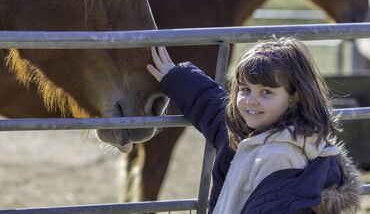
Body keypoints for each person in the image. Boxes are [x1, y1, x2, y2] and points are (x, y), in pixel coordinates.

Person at [147, 38, 362, 214]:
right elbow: (211, 107)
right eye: (245, 89)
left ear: (294, 96)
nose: (251, 100)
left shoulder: (280, 158)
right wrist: (177, 78)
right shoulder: (248, 133)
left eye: (266, 92)